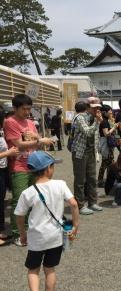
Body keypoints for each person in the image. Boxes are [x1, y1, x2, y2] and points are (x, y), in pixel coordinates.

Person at [14, 151, 79, 291]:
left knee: (33, 269)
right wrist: (75, 226)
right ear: (48, 168)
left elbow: (19, 216)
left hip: (36, 238)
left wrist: (23, 234)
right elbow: (74, 204)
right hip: (55, 237)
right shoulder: (60, 184)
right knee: (50, 269)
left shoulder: (27, 193)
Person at [4, 94, 54, 246]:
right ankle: (17, 233)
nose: (27, 112)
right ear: (15, 108)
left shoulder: (31, 122)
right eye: (24, 109)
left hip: (33, 165)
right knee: (19, 199)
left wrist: (37, 139)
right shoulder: (10, 122)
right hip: (18, 166)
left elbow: (36, 143)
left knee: (35, 198)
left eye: (29, 109)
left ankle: (29, 229)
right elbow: (18, 144)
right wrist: (38, 140)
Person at [71, 97, 103, 215]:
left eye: (98, 108)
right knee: (80, 180)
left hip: (90, 152)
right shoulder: (80, 118)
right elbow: (88, 132)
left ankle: (92, 202)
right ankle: (80, 205)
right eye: (95, 108)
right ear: (88, 108)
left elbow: (95, 135)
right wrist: (97, 122)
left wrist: (97, 121)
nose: (97, 110)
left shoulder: (94, 118)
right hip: (80, 152)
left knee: (92, 178)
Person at [0, 109, 20, 246]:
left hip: (3, 169)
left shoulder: (1, 132)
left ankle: (1, 231)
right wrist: (8, 152)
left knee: (1, 201)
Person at [97, 105, 118, 188]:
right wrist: (114, 127)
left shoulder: (105, 120)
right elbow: (106, 133)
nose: (111, 112)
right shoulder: (105, 122)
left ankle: (106, 180)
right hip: (106, 145)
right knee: (106, 163)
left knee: (108, 163)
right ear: (104, 112)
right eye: (109, 111)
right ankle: (102, 181)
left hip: (107, 145)